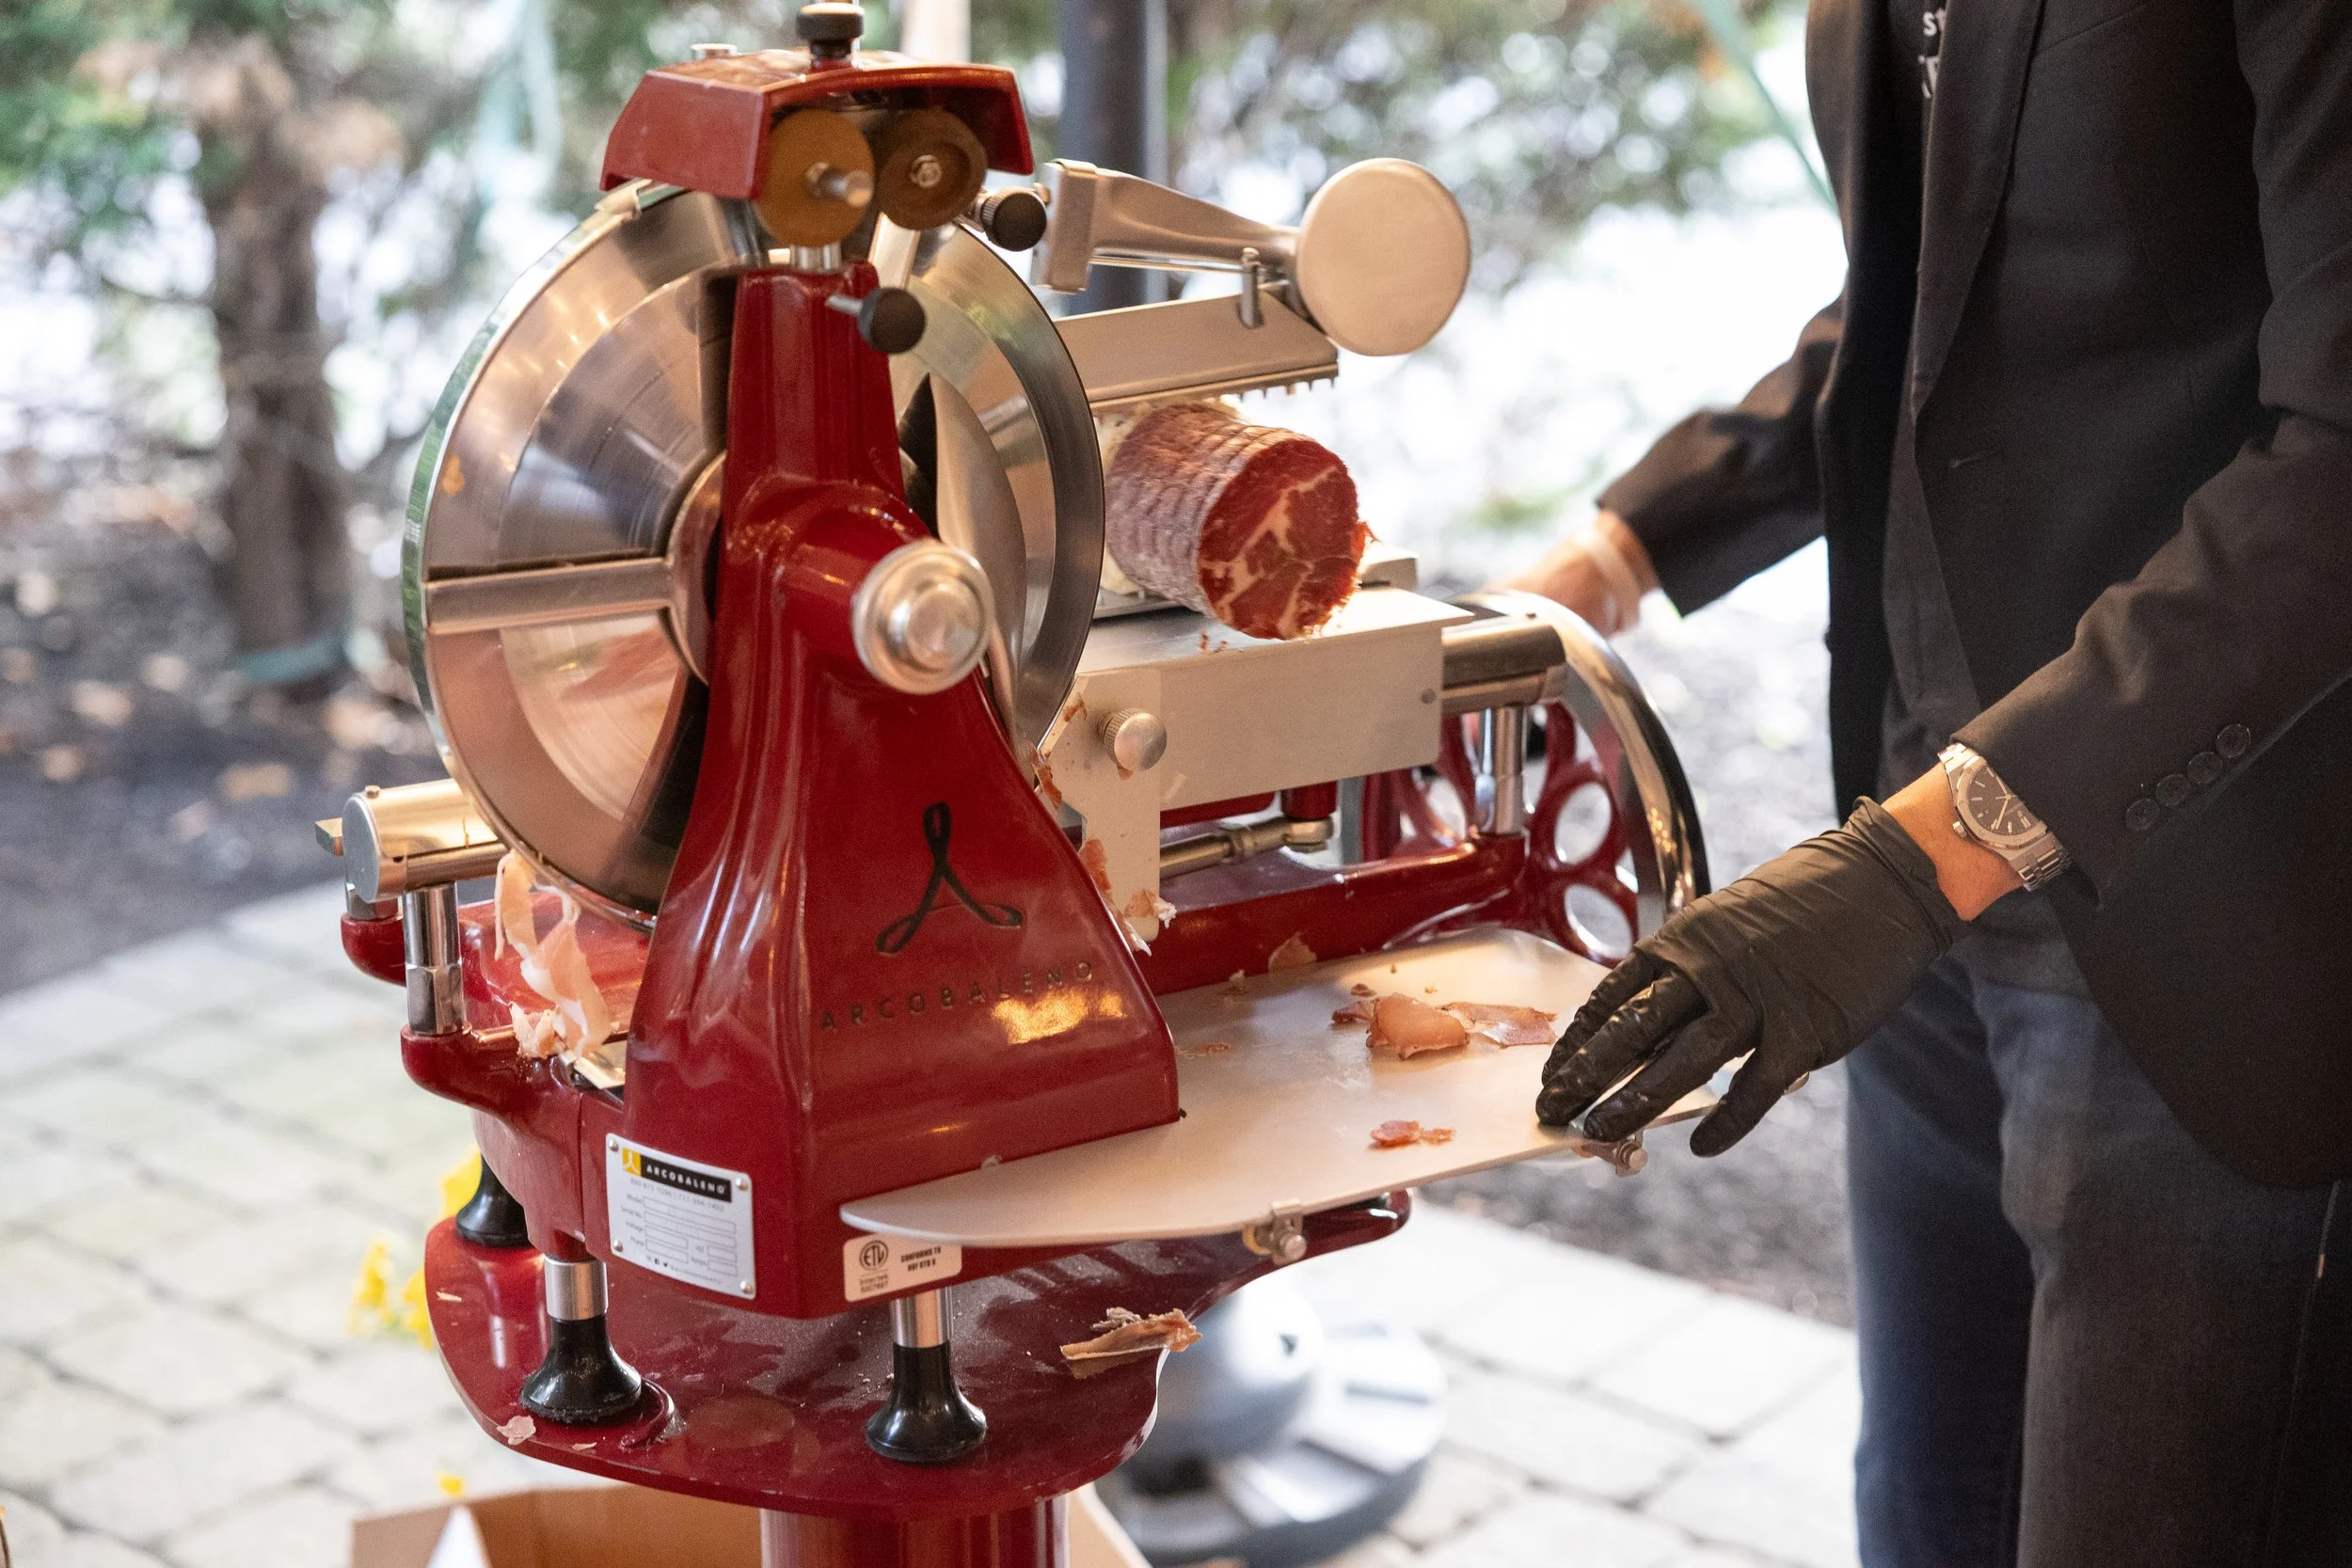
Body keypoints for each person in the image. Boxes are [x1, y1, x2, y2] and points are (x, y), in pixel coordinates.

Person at [1513, 0, 2352, 1561]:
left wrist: (1925, 856)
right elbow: (1924, 301)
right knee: (1925, 1512)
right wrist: (1609, 557)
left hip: (2196, 918)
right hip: (1914, 897)